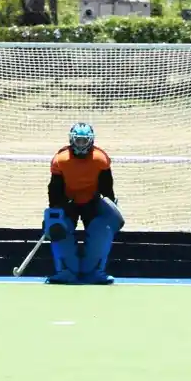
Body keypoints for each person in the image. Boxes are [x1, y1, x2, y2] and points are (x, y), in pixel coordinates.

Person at [43, 122, 123, 285]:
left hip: (92, 201)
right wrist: (55, 212)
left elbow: (107, 186)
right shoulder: (61, 160)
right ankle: (65, 272)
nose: (81, 144)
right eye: (78, 141)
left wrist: (110, 210)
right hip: (68, 202)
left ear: (91, 141)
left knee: (102, 229)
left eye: (84, 141)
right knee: (57, 225)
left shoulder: (100, 159)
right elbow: (54, 187)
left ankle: (95, 272)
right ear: (72, 140)